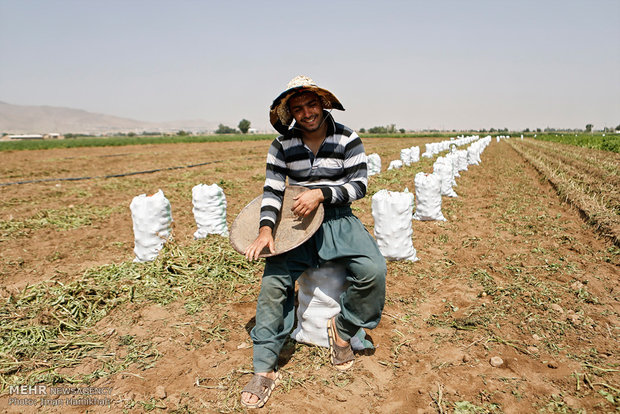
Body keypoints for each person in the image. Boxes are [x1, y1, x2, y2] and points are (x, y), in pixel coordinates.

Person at [241, 75, 387, 409]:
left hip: (338, 218)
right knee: (273, 286)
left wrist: (321, 194)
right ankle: (264, 368)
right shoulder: (282, 146)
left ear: (323, 103)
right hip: (296, 225)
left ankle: (343, 328)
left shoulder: (348, 138)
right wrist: (266, 230)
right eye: (298, 108)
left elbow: (359, 186)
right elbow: (273, 189)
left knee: (373, 270)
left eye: (311, 104)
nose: (306, 113)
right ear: (290, 114)